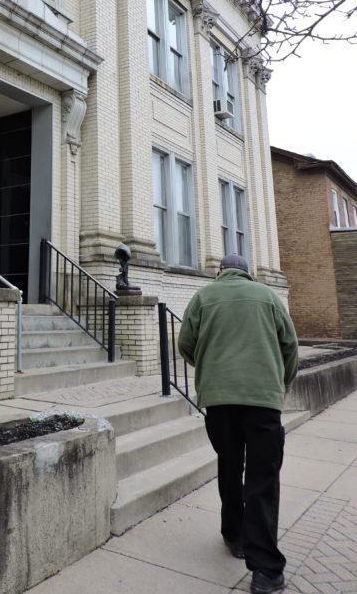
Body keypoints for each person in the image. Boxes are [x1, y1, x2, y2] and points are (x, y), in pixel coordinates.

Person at [178, 253, 298, 594]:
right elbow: (289, 346)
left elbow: (185, 343)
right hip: (262, 399)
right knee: (262, 479)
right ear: (247, 273)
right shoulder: (268, 296)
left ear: (220, 272)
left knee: (230, 467)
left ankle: (234, 535)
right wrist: (282, 384)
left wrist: (210, 367)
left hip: (218, 400)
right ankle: (266, 571)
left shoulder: (203, 296)